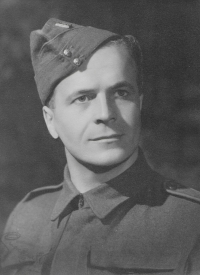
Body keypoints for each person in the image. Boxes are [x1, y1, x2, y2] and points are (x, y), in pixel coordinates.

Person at [1, 18, 200, 275]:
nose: (106, 113)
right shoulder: (28, 216)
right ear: (50, 121)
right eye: (83, 98)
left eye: (121, 93)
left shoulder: (189, 221)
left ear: (139, 104)